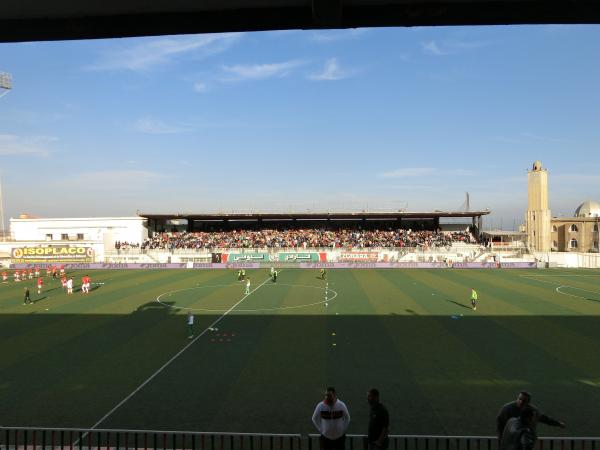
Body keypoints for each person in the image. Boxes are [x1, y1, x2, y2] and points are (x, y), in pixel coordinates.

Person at [496, 391, 565, 442]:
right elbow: (500, 421)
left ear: (528, 402)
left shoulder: (533, 410)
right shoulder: (507, 408)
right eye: (520, 399)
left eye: (524, 400)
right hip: (510, 440)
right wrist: (500, 436)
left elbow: (544, 418)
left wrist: (558, 423)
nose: (521, 402)